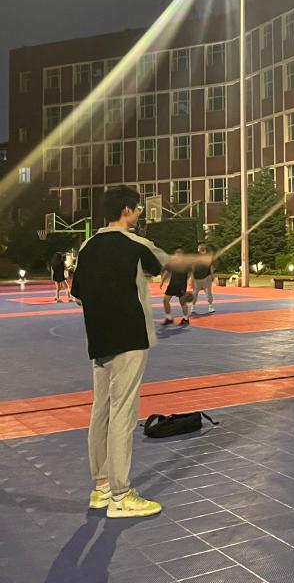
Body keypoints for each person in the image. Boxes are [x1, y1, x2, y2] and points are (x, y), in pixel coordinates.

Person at [71, 185, 206, 518]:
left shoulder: (87, 246)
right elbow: (167, 264)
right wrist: (203, 259)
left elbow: (78, 293)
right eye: (138, 208)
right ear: (127, 210)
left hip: (98, 339)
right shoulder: (136, 243)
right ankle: (120, 495)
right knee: (123, 414)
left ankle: (102, 487)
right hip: (129, 338)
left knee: (101, 410)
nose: (141, 212)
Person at [161, 248, 193, 327]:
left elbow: (191, 273)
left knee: (182, 302)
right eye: (177, 255)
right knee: (165, 300)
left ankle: (186, 319)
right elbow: (167, 272)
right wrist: (162, 281)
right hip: (172, 285)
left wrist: (190, 281)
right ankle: (169, 318)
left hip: (181, 285)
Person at [189, 243, 215, 316]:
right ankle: (193, 307)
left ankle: (210, 306)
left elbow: (211, 267)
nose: (202, 250)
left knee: (208, 293)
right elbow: (192, 269)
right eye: (201, 249)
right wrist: (192, 279)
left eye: (203, 248)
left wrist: (212, 275)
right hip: (198, 278)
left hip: (206, 277)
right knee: (196, 293)